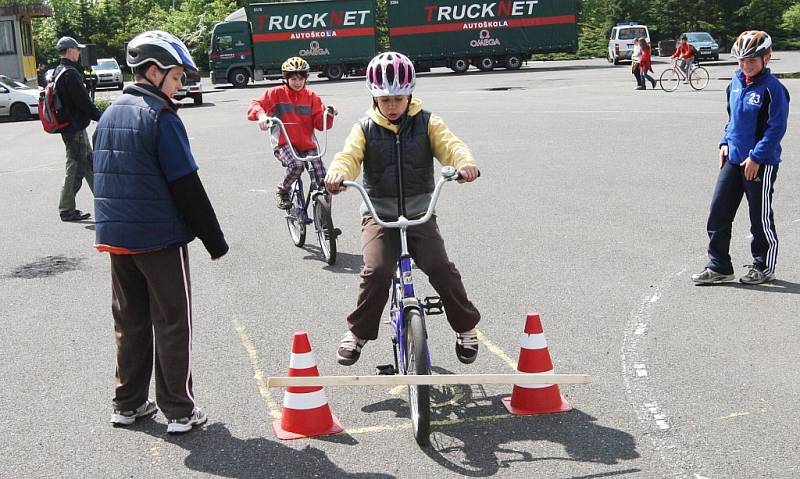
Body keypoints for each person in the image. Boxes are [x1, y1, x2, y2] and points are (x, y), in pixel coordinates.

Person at [92, 31, 229, 434]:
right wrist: (214, 241)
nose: (180, 85)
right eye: (175, 77)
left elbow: (100, 175)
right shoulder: (161, 117)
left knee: (130, 320)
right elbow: (186, 184)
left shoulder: (111, 112)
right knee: (172, 322)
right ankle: (179, 409)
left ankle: (128, 403)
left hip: (117, 239)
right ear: (153, 72)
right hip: (158, 240)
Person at [324, 51, 481, 366]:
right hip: (378, 215)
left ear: (410, 94)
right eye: (385, 99)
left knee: (441, 268)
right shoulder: (364, 128)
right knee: (378, 270)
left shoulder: (427, 122)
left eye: (398, 98)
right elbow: (349, 156)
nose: (392, 105)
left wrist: (463, 163)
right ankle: (357, 334)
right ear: (374, 98)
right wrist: (338, 173)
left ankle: (466, 328)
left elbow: (451, 145)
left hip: (420, 214)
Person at [692, 31, 790, 285]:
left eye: (753, 60)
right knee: (718, 212)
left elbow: (776, 128)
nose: (747, 65)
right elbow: (732, 120)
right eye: (742, 60)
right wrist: (725, 142)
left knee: (760, 217)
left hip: (761, 163)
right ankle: (719, 266)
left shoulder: (774, 89)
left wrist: (757, 157)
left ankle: (764, 266)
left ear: (767, 58)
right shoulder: (735, 83)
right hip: (734, 159)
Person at [246, 56, 336, 209]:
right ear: (286, 78)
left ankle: (325, 219)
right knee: (296, 165)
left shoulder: (312, 97)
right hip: (284, 143)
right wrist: (261, 115)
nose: (297, 82)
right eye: (293, 78)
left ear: (306, 79)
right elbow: (255, 104)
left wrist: (329, 115)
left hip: (307, 144)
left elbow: (321, 125)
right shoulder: (275, 93)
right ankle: (283, 191)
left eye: (301, 78)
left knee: (323, 178)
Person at [54, 36, 102, 221]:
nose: (80, 52)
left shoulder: (59, 71)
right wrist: (101, 117)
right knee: (75, 166)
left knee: (89, 163)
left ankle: (105, 200)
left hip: (71, 127)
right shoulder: (69, 74)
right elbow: (83, 103)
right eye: (77, 49)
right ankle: (66, 209)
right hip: (74, 128)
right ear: (69, 50)